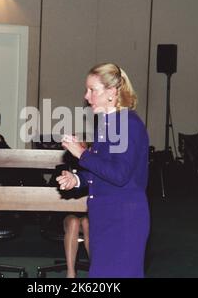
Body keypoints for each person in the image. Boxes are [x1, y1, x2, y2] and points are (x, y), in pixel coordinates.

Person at [56, 63, 150, 278]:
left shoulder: (127, 124)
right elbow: (101, 171)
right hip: (106, 217)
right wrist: (77, 179)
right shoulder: (109, 124)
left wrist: (81, 154)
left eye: (92, 90)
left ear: (112, 92)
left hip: (123, 220)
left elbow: (119, 175)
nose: (87, 96)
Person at [63, 214, 89, 278]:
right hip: (67, 215)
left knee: (86, 222)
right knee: (73, 222)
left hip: (88, 215)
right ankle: (71, 274)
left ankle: (95, 268)